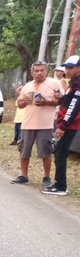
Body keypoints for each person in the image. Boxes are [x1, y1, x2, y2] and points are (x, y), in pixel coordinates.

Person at [11, 60, 63, 186]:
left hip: (45, 124)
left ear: (46, 71)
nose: (39, 73)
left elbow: (62, 101)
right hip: (27, 124)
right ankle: (24, 175)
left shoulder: (54, 83)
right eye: (37, 71)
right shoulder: (27, 86)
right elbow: (19, 104)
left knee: (45, 152)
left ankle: (46, 176)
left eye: (42, 70)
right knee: (24, 150)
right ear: (32, 72)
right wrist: (23, 102)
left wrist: (47, 102)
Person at [46, 55, 80, 195]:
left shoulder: (78, 83)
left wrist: (62, 126)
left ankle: (60, 186)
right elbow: (68, 101)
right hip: (66, 123)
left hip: (69, 125)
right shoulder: (73, 82)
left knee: (60, 153)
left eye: (71, 67)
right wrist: (61, 99)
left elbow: (74, 106)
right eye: (66, 67)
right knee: (59, 152)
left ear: (79, 68)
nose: (67, 70)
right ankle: (59, 184)